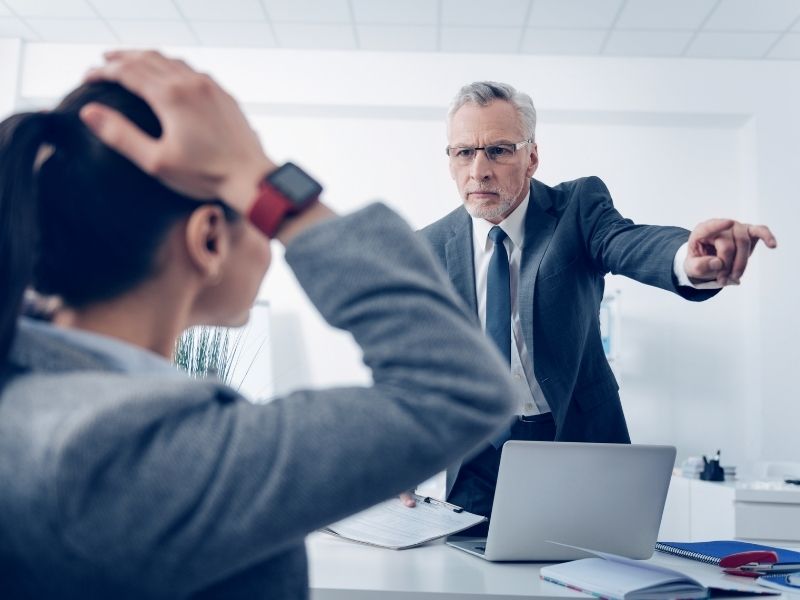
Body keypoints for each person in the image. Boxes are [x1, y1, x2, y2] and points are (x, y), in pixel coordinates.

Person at [0, 52, 517, 599]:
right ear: (209, 240)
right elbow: (464, 392)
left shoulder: (27, 393)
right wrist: (257, 176)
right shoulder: (138, 451)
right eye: (259, 210)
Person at [404, 81, 777, 529]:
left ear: (532, 157)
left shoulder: (576, 209)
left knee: (588, 571)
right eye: (463, 152)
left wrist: (688, 260)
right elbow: (416, 362)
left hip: (574, 440)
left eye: (499, 150)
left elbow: (627, 242)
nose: (478, 170)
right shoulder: (427, 247)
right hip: (475, 457)